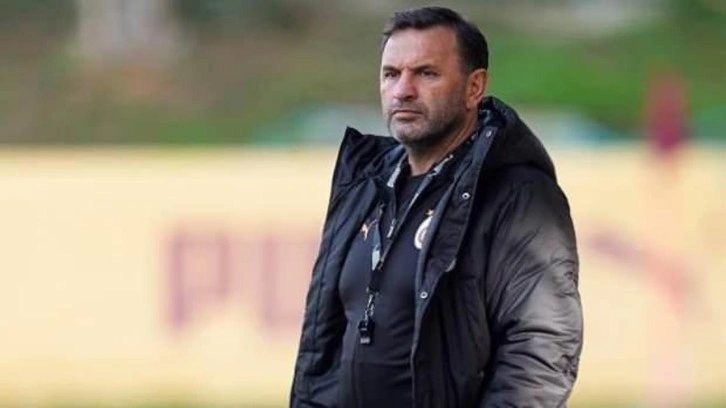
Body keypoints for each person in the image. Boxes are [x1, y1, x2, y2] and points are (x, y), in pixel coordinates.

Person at [290, 6, 583, 408]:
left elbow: (541, 346)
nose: (403, 90)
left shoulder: (518, 195)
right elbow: (325, 350)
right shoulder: (364, 186)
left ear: (474, 87)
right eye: (391, 74)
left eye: (426, 73)